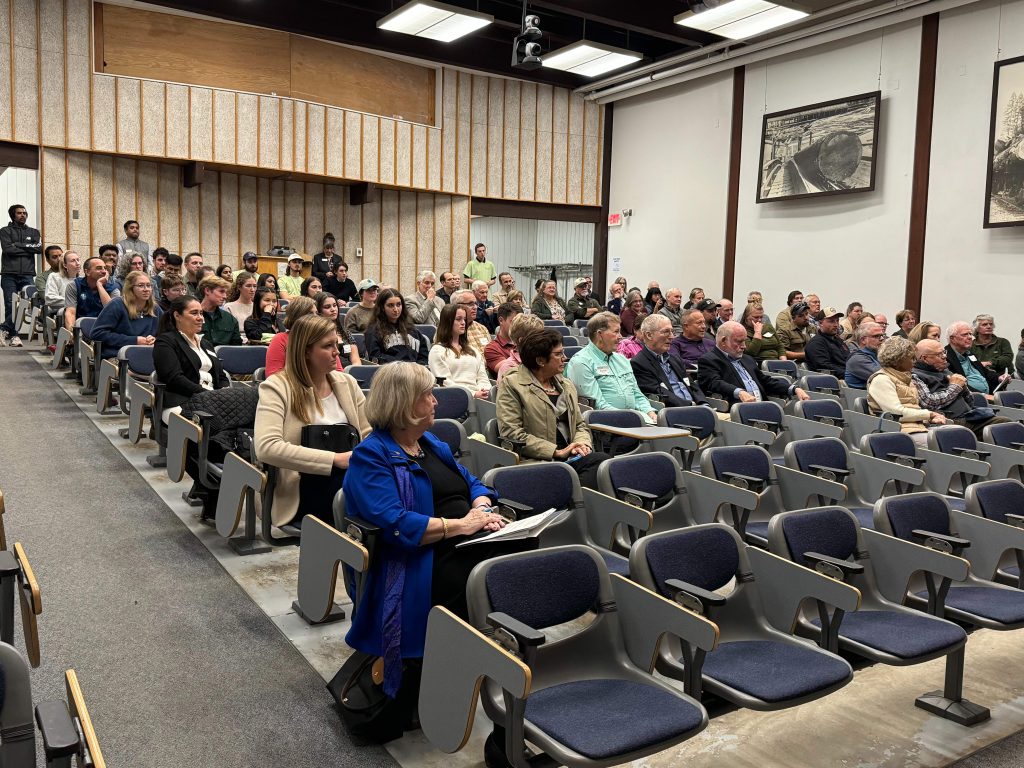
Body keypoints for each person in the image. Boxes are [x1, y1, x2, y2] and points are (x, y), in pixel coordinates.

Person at [343, 362, 520, 714]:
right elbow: (395, 524)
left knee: (524, 549)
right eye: (427, 395)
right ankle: (467, 667)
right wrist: (461, 526)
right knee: (482, 575)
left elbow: (472, 481)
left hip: (467, 536)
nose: (435, 401)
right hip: (420, 556)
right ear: (404, 404)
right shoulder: (371, 455)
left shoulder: (429, 443)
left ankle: (499, 659)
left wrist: (482, 507)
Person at [253, 314, 371, 528]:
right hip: (302, 485)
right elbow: (267, 447)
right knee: (358, 499)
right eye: (327, 346)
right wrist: (335, 459)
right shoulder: (277, 387)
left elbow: (369, 433)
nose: (337, 352)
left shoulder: (347, 383)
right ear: (306, 351)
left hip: (350, 472)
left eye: (336, 344)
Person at [497, 329, 609, 489]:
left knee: (604, 462)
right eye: (558, 354)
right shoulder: (512, 384)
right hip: (538, 461)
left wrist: (581, 444)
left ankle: (572, 498)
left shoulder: (565, 384)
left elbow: (579, 425)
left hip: (571, 458)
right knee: (583, 477)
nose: (565, 358)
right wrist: (556, 452)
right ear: (540, 361)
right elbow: (511, 433)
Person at [153, 295, 230, 519]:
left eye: (201, 313)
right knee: (207, 430)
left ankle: (216, 482)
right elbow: (173, 378)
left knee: (233, 429)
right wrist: (207, 395)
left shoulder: (205, 343)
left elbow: (220, 376)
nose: (200, 318)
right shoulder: (166, 342)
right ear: (177, 315)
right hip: (179, 400)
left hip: (211, 401)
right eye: (194, 313)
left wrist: (224, 392)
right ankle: (211, 488)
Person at [565, 312, 656, 423]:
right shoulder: (581, 362)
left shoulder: (622, 360)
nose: (620, 336)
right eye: (616, 332)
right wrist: (633, 418)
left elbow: (637, 395)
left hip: (634, 420)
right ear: (600, 335)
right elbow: (597, 405)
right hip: (604, 424)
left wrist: (650, 412)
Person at [697, 321, 810, 407]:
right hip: (737, 411)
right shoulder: (709, 360)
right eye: (739, 341)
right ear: (723, 341)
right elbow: (715, 383)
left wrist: (794, 389)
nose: (744, 346)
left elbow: (765, 381)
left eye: (744, 341)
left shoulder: (747, 359)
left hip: (762, 407)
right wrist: (739, 392)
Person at [913, 339, 1007, 438]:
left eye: (944, 352)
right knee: (1003, 425)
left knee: (1005, 424)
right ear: (925, 358)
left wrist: (963, 386)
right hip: (947, 421)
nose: (944, 356)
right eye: (939, 354)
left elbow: (970, 401)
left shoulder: (944, 370)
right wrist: (955, 387)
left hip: (968, 416)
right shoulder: (916, 375)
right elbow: (928, 402)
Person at [866, 337, 946, 446]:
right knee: (943, 443)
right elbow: (896, 413)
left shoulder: (907, 378)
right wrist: (929, 415)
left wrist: (929, 419)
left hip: (918, 427)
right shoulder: (881, 380)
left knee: (957, 434)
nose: (915, 361)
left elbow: (913, 408)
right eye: (911, 358)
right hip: (898, 432)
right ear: (899, 360)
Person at [632, 314, 710, 407]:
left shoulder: (674, 359)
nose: (672, 337)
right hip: (674, 411)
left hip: (697, 408)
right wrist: (692, 406)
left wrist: (704, 403)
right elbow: (661, 395)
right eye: (666, 332)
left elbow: (692, 386)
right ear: (649, 335)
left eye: (672, 332)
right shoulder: (639, 363)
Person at [91, 270, 162, 358]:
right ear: (130, 288)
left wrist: (155, 340)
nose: (146, 289)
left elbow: (168, 333)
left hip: (147, 355)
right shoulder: (117, 305)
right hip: (117, 356)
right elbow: (97, 334)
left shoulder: (155, 309)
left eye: (148, 285)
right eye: (141, 285)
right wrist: (134, 341)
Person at [266, 297, 342, 377]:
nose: (316, 317)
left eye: (316, 313)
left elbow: (339, 372)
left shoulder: (322, 338)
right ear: (297, 317)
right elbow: (273, 375)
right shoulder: (280, 339)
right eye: (310, 314)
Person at [0, 204, 43, 346]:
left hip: (27, 274)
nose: (23, 215)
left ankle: (3, 328)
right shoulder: (5, 231)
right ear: (13, 215)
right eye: (19, 213)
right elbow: (8, 250)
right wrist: (27, 247)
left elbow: (38, 249)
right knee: (10, 304)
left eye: (24, 213)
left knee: (29, 303)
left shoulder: (34, 232)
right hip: (9, 274)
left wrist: (17, 245)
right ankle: (14, 336)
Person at [428, 303, 490, 399]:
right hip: (455, 399)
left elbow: (483, 377)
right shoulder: (437, 351)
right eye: (458, 319)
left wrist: (484, 390)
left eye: (464, 319)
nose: (463, 323)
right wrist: (473, 394)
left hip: (480, 398)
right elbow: (445, 382)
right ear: (448, 322)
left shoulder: (473, 350)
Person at [364, 288, 429, 365]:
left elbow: (424, 357)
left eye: (398, 305)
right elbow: (375, 357)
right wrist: (401, 365)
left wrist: (416, 367)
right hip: (389, 370)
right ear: (382, 308)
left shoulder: (412, 330)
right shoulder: (373, 331)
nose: (396, 309)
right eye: (390, 305)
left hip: (415, 370)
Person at [945, 321, 1007, 398]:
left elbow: (985, 372)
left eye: (970, 334)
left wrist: (999, 378)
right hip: (969, 398)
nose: (970, 337)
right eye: (965, 334)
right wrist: (982, 395)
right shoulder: (945, 357)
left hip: (989, 396)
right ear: (952, 339)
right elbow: (958, 384)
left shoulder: (970, 354)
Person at [64, 255, 120, 331]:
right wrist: (72, 333)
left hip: (105, 329)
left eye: (105, 268)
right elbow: (71, 312)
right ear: (87, 272)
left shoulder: (113, 289)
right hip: (81, 329)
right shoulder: (74, 285)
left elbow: (113, 312)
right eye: (99, 268)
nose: (104, 271)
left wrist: (100, 285)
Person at [314, 292, 361, 366]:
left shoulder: (344, 331)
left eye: (334, 305)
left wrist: (352, 370)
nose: (333, 309)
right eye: (327, 307)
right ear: (318, 311)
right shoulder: (316, 334)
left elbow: (356, 360)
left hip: (349, 369)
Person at [495, 313, 544, 382]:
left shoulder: (544, 360)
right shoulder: (508, 368)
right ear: (522, 340)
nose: (543, 340)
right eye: (537, 337)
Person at [197, 276, 243, 347]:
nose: (225, 296)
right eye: (221, 291)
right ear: (207, 291)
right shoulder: (191, 317)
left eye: (225, 292)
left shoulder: (230, 320)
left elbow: (236, 348)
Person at [804, 307, 850, 377]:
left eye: (837, 321)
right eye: (831, 321)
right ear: (820, 323)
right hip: (834, 379)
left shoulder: (838, 340)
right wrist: (850, 374)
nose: (836, 325)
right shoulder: (816, 343)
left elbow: (848, 358)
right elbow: (825, 367)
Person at [483, 302, 523, 375]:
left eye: (521, 322)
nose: (518, 326)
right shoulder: (492, 349)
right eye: (513, 322)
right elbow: (511, 373)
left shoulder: (525, 341)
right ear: (501, 320)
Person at [451, 289, 492, 355]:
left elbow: (491, 353)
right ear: (456, 306)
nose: (475, 307)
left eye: (475, 303)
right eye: (470, 304)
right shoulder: (449, 330)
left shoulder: (482, 328)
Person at [845, 322, 884, 388]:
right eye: (876, 336)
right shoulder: (857, 359)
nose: (882, 338)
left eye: (882, 335)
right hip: (863, 394)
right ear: (863, 340)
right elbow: (884, 377)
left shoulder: (876, 355)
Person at [45, 250, 79, 315]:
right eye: (73, 261)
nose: (77, 263)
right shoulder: (54, 276)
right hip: (60, 313)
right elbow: (50, 298)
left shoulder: (81, 280)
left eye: (78, 260)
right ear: (65, 265)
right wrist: (73, 302)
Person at [224, 271, 258, 338]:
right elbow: (228, 331)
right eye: (248, 286)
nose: (252, 289)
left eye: (255, 286)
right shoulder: (229, 307)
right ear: (239, 287)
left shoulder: (257, 307)